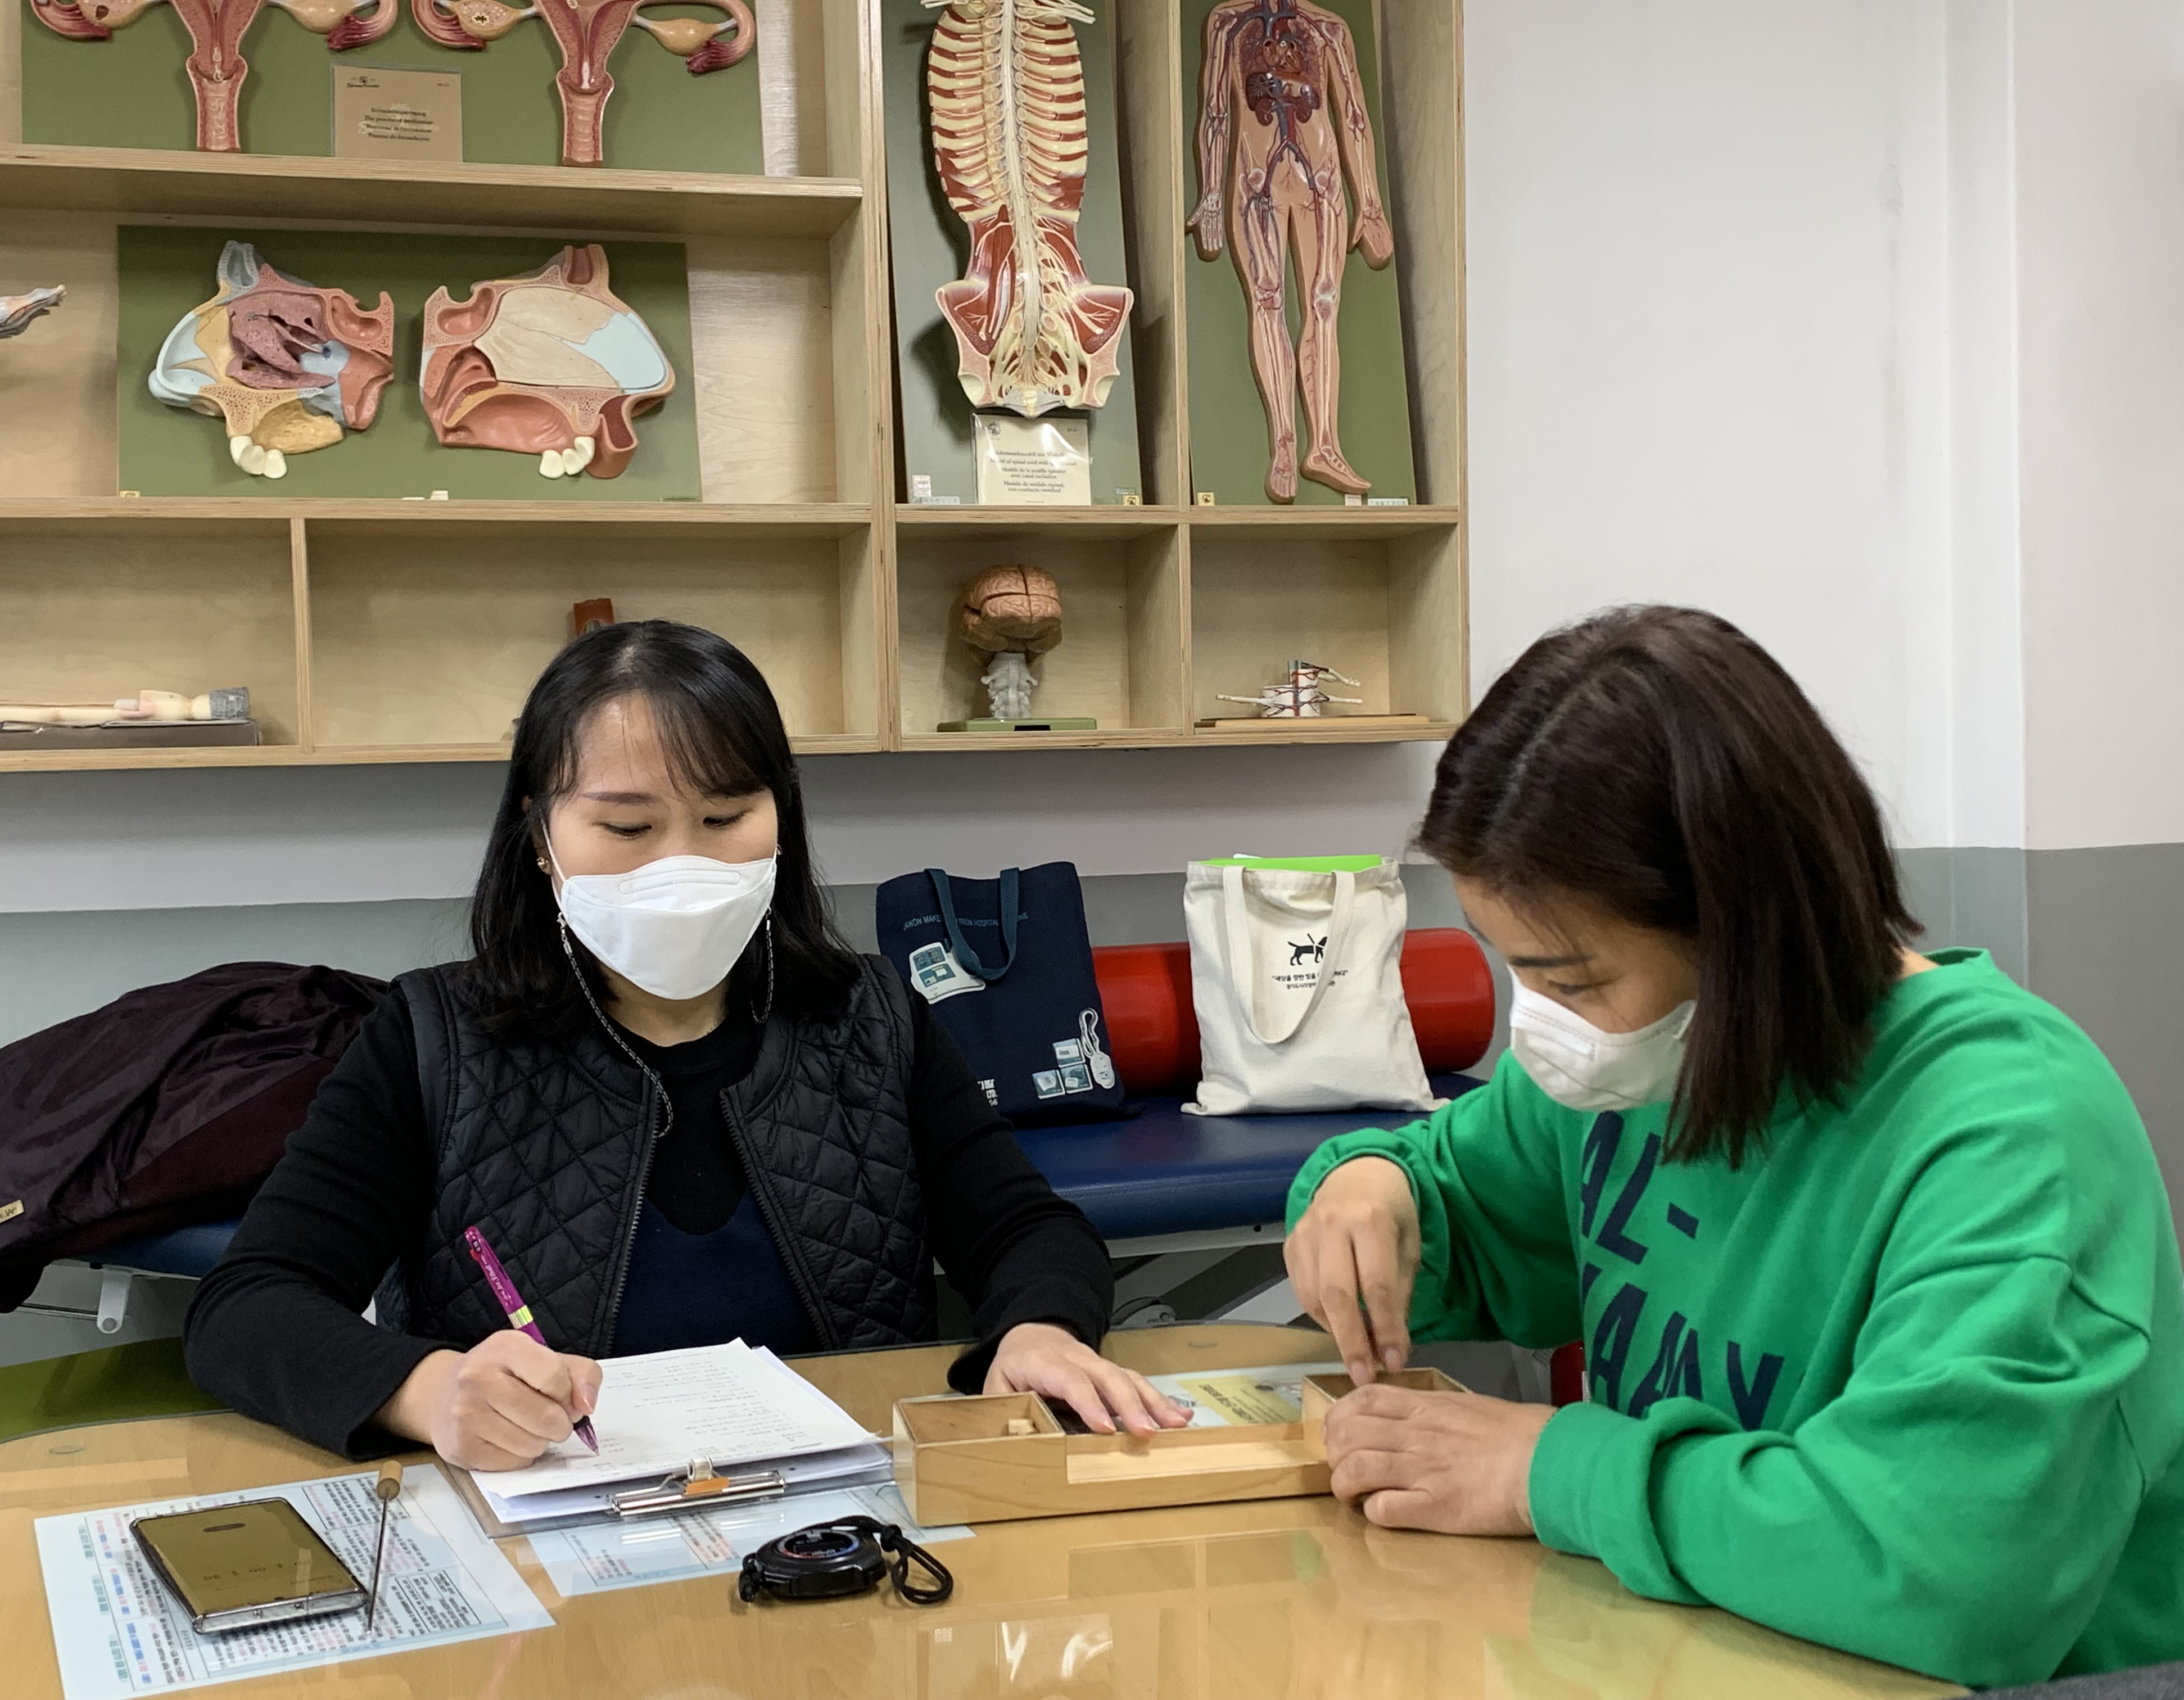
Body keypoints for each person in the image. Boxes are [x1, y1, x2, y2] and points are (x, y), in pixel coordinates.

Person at [1282, 605, 2183, 1690]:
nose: (1542, 1027)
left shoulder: (2010, 1137)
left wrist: (1543, 1471)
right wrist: (1364, 1186)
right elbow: (1450, 1203)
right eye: (1515, 967)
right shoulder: (1633, 1065)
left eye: (1573, 980)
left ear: (1748, 934)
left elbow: (1943, 1572)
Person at [187, 621, 1187, 1468]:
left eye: (724, 817)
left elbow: (1025, 1228)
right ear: (540, 838)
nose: (682, 864)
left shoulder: (872, 1017)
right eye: (625, 827)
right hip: (548, 1551)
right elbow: (250, 1306)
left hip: (846, 1523)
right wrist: (430, 1390)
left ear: (780, 820)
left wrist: (1037, 1330)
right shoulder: (431, 1036)